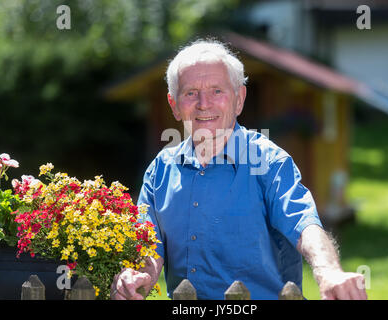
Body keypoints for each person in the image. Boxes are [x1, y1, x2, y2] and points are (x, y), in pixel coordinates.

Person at [111, 39, 367, 300]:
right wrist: (138, 275)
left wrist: (329, 272)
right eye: (190, 93)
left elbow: (305, 224)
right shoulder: (160, 171)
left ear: (239, 99)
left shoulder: (269, 161)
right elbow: (148, 248)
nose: (203, 103)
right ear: (174, 105)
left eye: (216, 91)